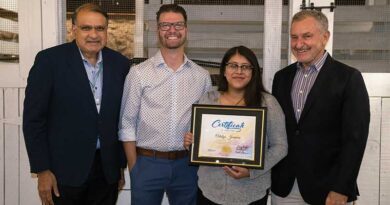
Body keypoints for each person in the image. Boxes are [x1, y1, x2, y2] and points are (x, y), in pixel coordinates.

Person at [23, 3, 130, 205]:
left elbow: (121, 119)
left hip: (106, 172)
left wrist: (118, 167)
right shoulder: (49, 61)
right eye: (86, 28)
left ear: (107, 30)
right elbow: (33, 120)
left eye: (100, 28)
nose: (93, 35)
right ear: (74, 29)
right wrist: (42, 170)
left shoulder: (120, 64)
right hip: (62, 172)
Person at [271, 10, 370, 205]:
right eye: (294, 37)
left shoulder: (349, 78)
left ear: (325, 37)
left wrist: (341, 188)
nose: (299, 44)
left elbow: (355, 140)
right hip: (285, 187)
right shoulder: (281, 77)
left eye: (307, 36)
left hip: (329, 191)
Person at [118, 4, 212, 205]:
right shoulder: (139, 73)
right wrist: (135, 168)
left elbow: (206, 124)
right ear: (157, 30)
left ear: (186, 29)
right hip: (147, 163)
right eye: (165, 25)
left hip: (187, 166)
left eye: (178, 24)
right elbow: (126, 123)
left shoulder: (202, 77)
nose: (172, 30)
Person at [184, 45, 288, 205]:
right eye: (233, 66)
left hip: (251, 194)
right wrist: (191, 142)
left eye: (245, 67)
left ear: (253, 72)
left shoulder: (268, 103)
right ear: (224, 71)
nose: (239, 71)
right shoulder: (208, 99)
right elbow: (196, 140)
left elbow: (280, 146)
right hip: (210, 191)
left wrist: (251, 171)